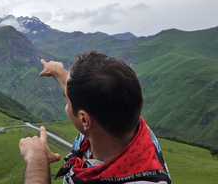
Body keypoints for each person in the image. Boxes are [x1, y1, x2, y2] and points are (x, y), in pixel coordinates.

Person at [19, 50, 172, 184]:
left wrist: (36, 161)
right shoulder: (134, 127)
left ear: (84, 119)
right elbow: (94, 93)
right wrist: (58, 71)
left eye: (66, 100)